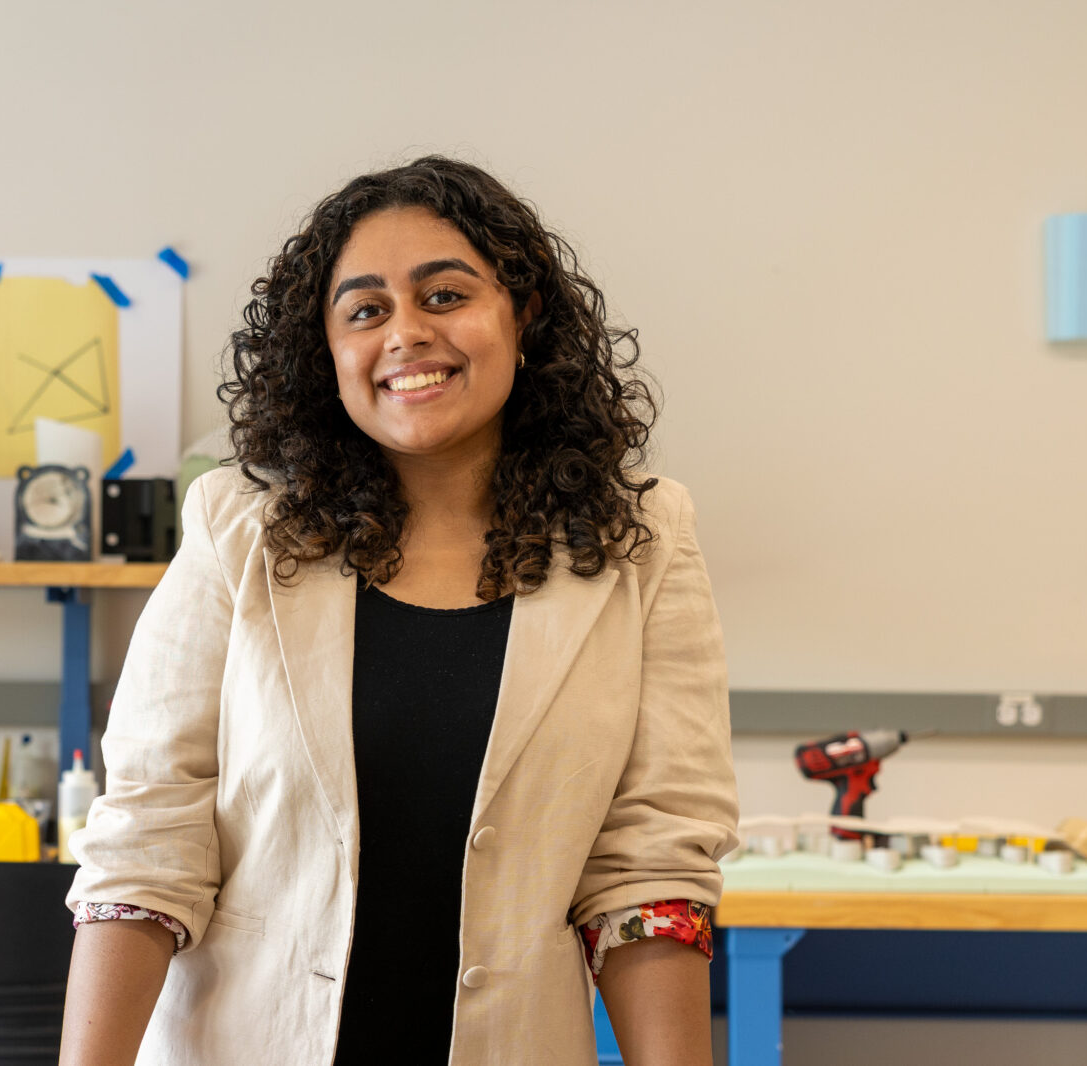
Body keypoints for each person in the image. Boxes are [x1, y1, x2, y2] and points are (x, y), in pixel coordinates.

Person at [60, 156, 738, 1066]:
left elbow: (651, 870)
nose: (406, 335)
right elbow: (149, 841)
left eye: (445, 295)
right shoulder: (240, 530)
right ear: (329, 352)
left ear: (523, 314)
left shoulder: (641, 540)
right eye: (366, 310)